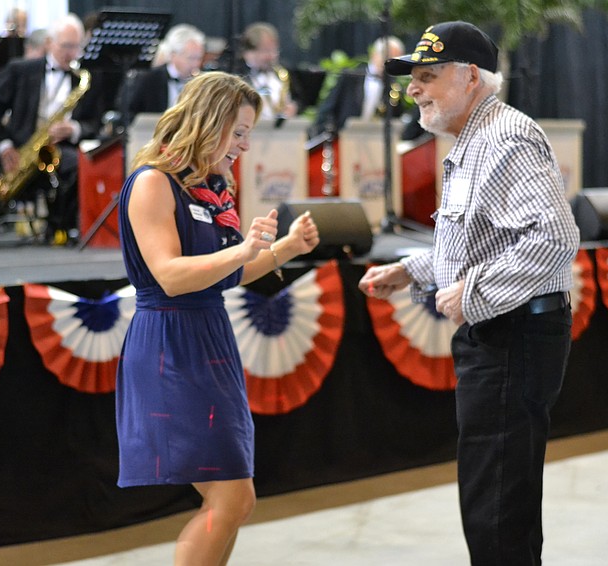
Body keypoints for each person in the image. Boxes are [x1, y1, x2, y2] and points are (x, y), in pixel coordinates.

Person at [358, 21, 580, 565]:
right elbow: (479, 240)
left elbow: (555, 239)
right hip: (504, 334)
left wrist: (474, 291)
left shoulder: (506, 137)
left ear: (471, 77)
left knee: (496, 513)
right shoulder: (476, 137)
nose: (413, 88)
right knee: (500, 506)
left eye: (428, 76)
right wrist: (413, 270)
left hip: (512, 336)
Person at [115, 71, 319, 565]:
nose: (245, 146)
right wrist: (243, 251)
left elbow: (229, 274)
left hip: (209, 336)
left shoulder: (209, 186)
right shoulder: (151, 183)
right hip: (169, 341)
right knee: (228, 497)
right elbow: (169, 275)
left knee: (236, 498)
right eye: (240, 132)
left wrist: (285, 249)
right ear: (209, 123)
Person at [0, 13, 100, 243]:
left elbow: (93, 124)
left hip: (61, 149)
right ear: (49, 43)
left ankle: (62, 227)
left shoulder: (86, 78)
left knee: (80, 164)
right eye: (66, 46)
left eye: (77, 47)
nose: (72, 54)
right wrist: (5, 147)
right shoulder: (20, 70)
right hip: (21, 148)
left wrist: (73, 129)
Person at [311, 36, 406, 137]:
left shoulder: (394, 88)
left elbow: (396, 120)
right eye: (386, 57)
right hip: (342, 139)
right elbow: (327, 109)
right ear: (374, 54)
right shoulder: (350, 77)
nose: (388, 63)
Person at [124, 24, 205, 123]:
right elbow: (129, 115)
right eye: (191, 58)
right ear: (173, 55)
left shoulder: (202, 82)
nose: (196, 64)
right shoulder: (149, 79)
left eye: (199, 58)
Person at [239, 22, 297, 123]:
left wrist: (294, 107)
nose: (271, 57)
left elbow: (300, 100)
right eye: (265, 51)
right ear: (249, 53)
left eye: (274, 51)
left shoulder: (283, 73)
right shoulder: (237, 76)